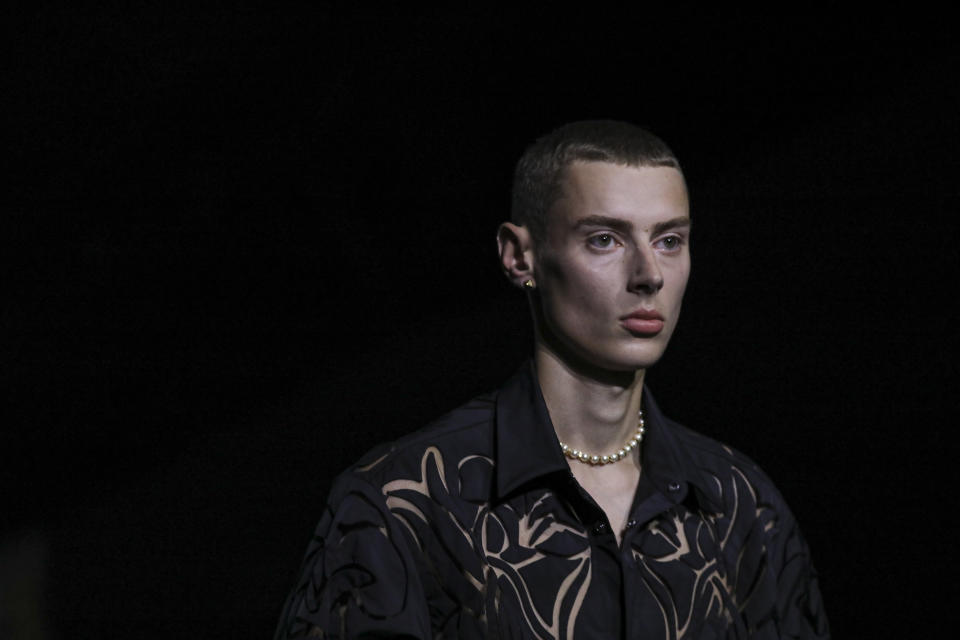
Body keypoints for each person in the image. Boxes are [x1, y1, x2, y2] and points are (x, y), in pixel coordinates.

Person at [274, 120, 829, 639]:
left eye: (669, 240)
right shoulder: (405, 502)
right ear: (520, 256)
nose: (649, 276)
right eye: (605, 239)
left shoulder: (742, 503)